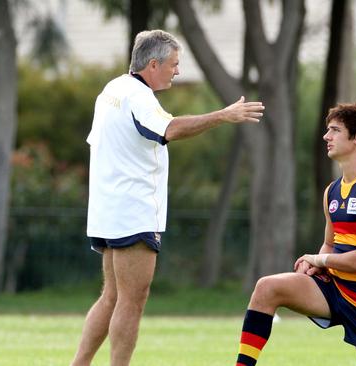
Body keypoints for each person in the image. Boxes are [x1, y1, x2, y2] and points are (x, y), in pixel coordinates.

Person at [70, 29, 264, 366]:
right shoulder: (138, 97)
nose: (177, 71)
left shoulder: (112, 90)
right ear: (154, 64)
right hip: (133, 210)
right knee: (133, 299)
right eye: (174, 64)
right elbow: (170, 129)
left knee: (112, 297)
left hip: (107, 209)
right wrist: (222, 115)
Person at [234, 103, 356, 366]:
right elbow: (329, 244)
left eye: (335, 130)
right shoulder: (332, 192)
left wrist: (318, 260)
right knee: (267, 287)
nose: (326, 136)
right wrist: (317, 265)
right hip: (334, 289)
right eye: (327, 130)